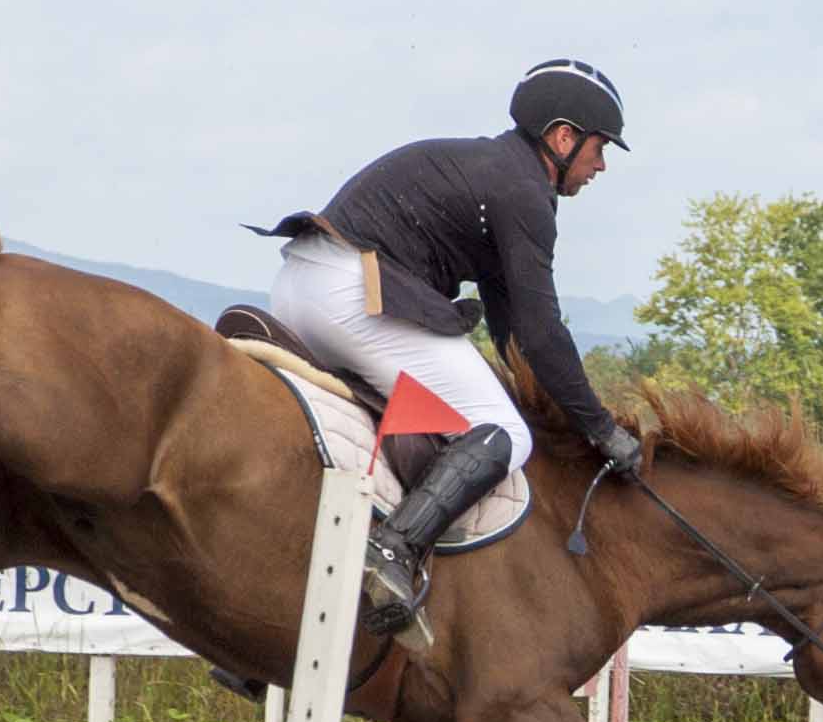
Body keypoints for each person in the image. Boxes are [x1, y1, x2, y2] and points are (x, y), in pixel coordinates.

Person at [256, 58, 645, 634]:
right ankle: (393, 550)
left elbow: (513, 330)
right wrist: (599, 427)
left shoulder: (496, 173)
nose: (600, 165)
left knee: (448, 417)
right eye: (598, 148)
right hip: (351, 295)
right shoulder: (522, 191)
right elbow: (542, 331)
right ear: (564, 137)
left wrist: (566, 407)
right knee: (506, 435)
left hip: (297, 286)